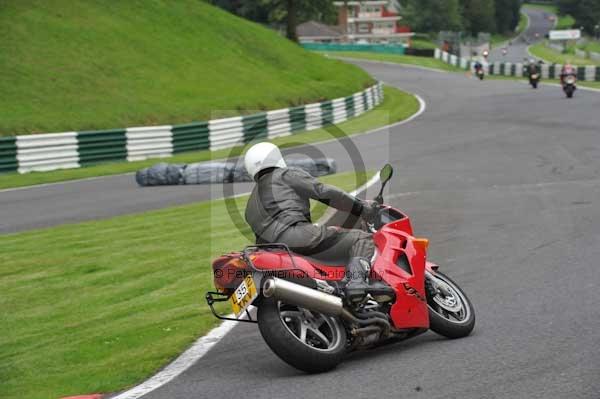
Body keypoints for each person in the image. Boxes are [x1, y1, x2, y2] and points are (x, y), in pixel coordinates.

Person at [243, 142, 382, 303]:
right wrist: (362, 208)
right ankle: (357, 283)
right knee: (361, 238)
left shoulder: (249, 204)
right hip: (296, 236)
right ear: (276, 157)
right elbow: (324, 192)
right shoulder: (286, 175)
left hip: (268, 250)